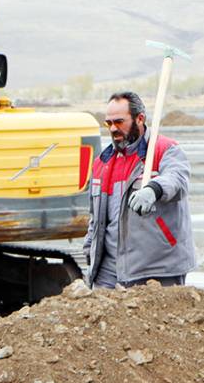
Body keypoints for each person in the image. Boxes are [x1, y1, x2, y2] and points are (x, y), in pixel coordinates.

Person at [84, 91, 196, 289]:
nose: (113, 129)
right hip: (109, 271)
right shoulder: (102, 163)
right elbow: (96, 216)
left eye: (119, 122)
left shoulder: (164, 150)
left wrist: (154, 189)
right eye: (108, 123)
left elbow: (177, 178)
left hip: (156, 269)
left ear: (140, 118)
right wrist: (89, 248)